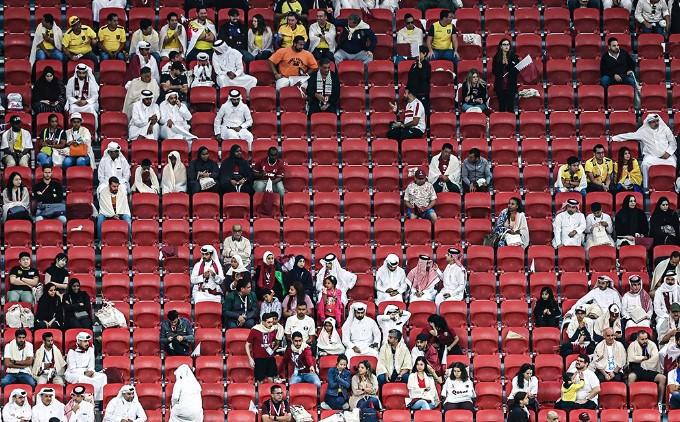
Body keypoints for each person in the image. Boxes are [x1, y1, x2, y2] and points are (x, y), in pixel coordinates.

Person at [613, 113, 676, 187]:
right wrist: (614, 138)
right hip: (652, 156)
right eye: (653, 122)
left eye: (657, 121)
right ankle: (646, 187)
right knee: (644, 164)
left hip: (667, 156)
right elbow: (629, 136)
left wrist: (668, 153)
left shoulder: (665, 129)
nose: (656, 123)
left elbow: (673, 142)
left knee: (674, 163)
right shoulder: (643, 132)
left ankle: (672, 186)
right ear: (649, 123)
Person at [65, 332, 106, 401]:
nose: (87, 343)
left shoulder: (90, 349)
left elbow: (91, 365)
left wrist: (91, 372)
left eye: (87, 341)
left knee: (103, 376)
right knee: (83, 379)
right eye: (85, 341)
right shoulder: (71, 351)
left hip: (87, 371)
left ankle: (99, 400)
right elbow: (72, 369)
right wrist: (84, 372)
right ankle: (88, 399)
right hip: (73, 373)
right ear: (79, 341)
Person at [627, 330, 667, 400]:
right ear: (637, 338)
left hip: (650, 370)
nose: (645, 341)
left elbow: (655, 357)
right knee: (631, 377)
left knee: (662, 378)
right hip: (637, 370)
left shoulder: (652, 344)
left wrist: (641, 361)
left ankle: (660, 402)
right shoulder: (632, 345)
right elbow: (631, 358)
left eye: (646, 338)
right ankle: (630, 402)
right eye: (642, 339)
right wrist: (644, 358)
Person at [246, 312, 280, 382]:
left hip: (270, 358)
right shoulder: (255, 330)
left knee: (271, 378)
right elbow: (247, 344)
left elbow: (274, 341)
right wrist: (250, 358)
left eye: (272, 322)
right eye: (269, 322)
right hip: (259, 359)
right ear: (263, 322)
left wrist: (273, 347)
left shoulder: (273, 329)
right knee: (260, 380)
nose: (271, 324)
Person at [491, 38, 520, 112]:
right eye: (504, 44)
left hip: (511, 85)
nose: (506, 46)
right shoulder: (496, 57)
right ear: (501, 46)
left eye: (508, 44)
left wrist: (509, 63)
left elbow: (516, 71)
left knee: (510, 107)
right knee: (502, 106)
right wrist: (501, 65)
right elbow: (494, 71)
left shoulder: (514, 57)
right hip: (500, 85)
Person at [405, 46, 432, 113]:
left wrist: (421, 69)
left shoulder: (427, 65)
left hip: (422, 93)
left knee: (422, 112)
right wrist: (407, 89)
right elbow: (410, 77)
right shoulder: (414, 64)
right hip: (412, 93)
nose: (417, 55)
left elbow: (425, 78)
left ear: (424, 54)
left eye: (419, 53)